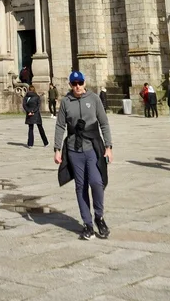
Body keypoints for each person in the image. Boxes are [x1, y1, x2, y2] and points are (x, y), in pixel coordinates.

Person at [54, 70, 112, 241]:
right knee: (81, 186)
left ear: (84, 83)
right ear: (70, 85)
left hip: (92, 147)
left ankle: (99, 217)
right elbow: (60, 126)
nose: (77, 86)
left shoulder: (94, 99)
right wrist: (57, 149)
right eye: (74, 84)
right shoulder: (66, 102)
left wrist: (108, 146)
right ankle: (87, 224)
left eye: (80, 83)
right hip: (73, 149)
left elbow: (104, 123)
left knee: (96, 182)